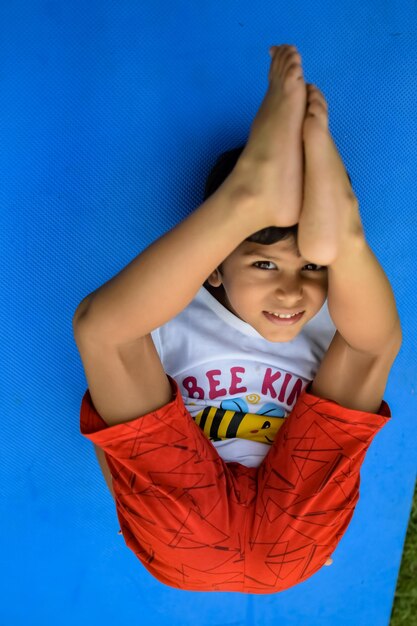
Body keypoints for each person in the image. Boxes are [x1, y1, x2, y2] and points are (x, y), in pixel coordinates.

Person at [73, 45, 402, 593]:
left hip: (205, 547)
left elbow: (125, 450)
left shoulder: (333, 316)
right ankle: (266, 209)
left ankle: (336, 233)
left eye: (314, 267)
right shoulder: (170, 309)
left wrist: (130, 505)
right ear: (213, 269)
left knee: (99, 330)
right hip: (279, 547)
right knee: (107, 330)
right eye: (264, 263)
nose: (292, 291)